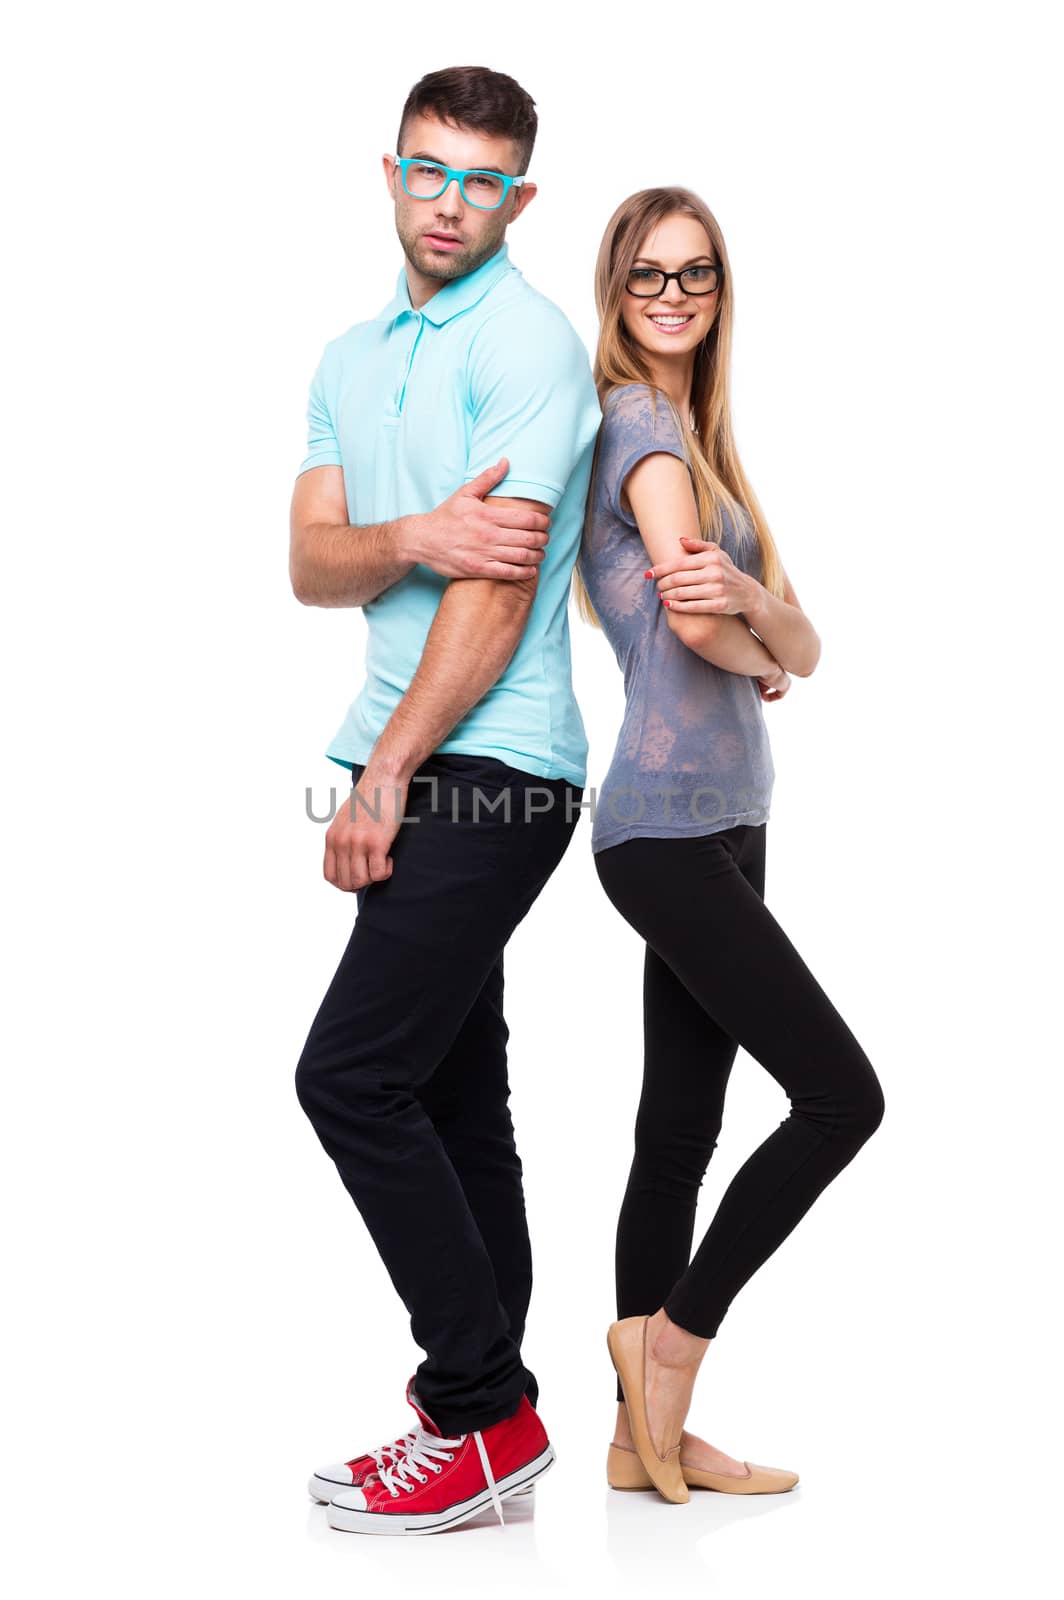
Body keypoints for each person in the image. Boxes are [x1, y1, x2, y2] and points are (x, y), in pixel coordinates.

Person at [290, 66, 601, 1536]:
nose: (450, 201)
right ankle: (480, 1416)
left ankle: (485, 1413)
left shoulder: (530, 343)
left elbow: (496, 593)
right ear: (393, 172)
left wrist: (391, 777)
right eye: (429, 171)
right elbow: (311, 560)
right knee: (450, 1090)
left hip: (493, 761)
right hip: (400, 749)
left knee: (347, 1076)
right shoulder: (352, 356)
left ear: (519, 197)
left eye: (483, 180)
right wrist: (406, 529)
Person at [575, 188, 886, 1504]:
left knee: (679, 1129)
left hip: (731, 818)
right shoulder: (642, 429)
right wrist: (760, 633)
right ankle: (673, 1352)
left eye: (696, 273)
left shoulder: (706, 444)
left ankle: (638, 1449)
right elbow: (713, 639)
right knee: (841, 1098)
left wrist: (762, 612)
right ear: (617, 287)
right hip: (661, 827)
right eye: (649, 274)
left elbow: (802, 645)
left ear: (719, 290)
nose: (674, 294)